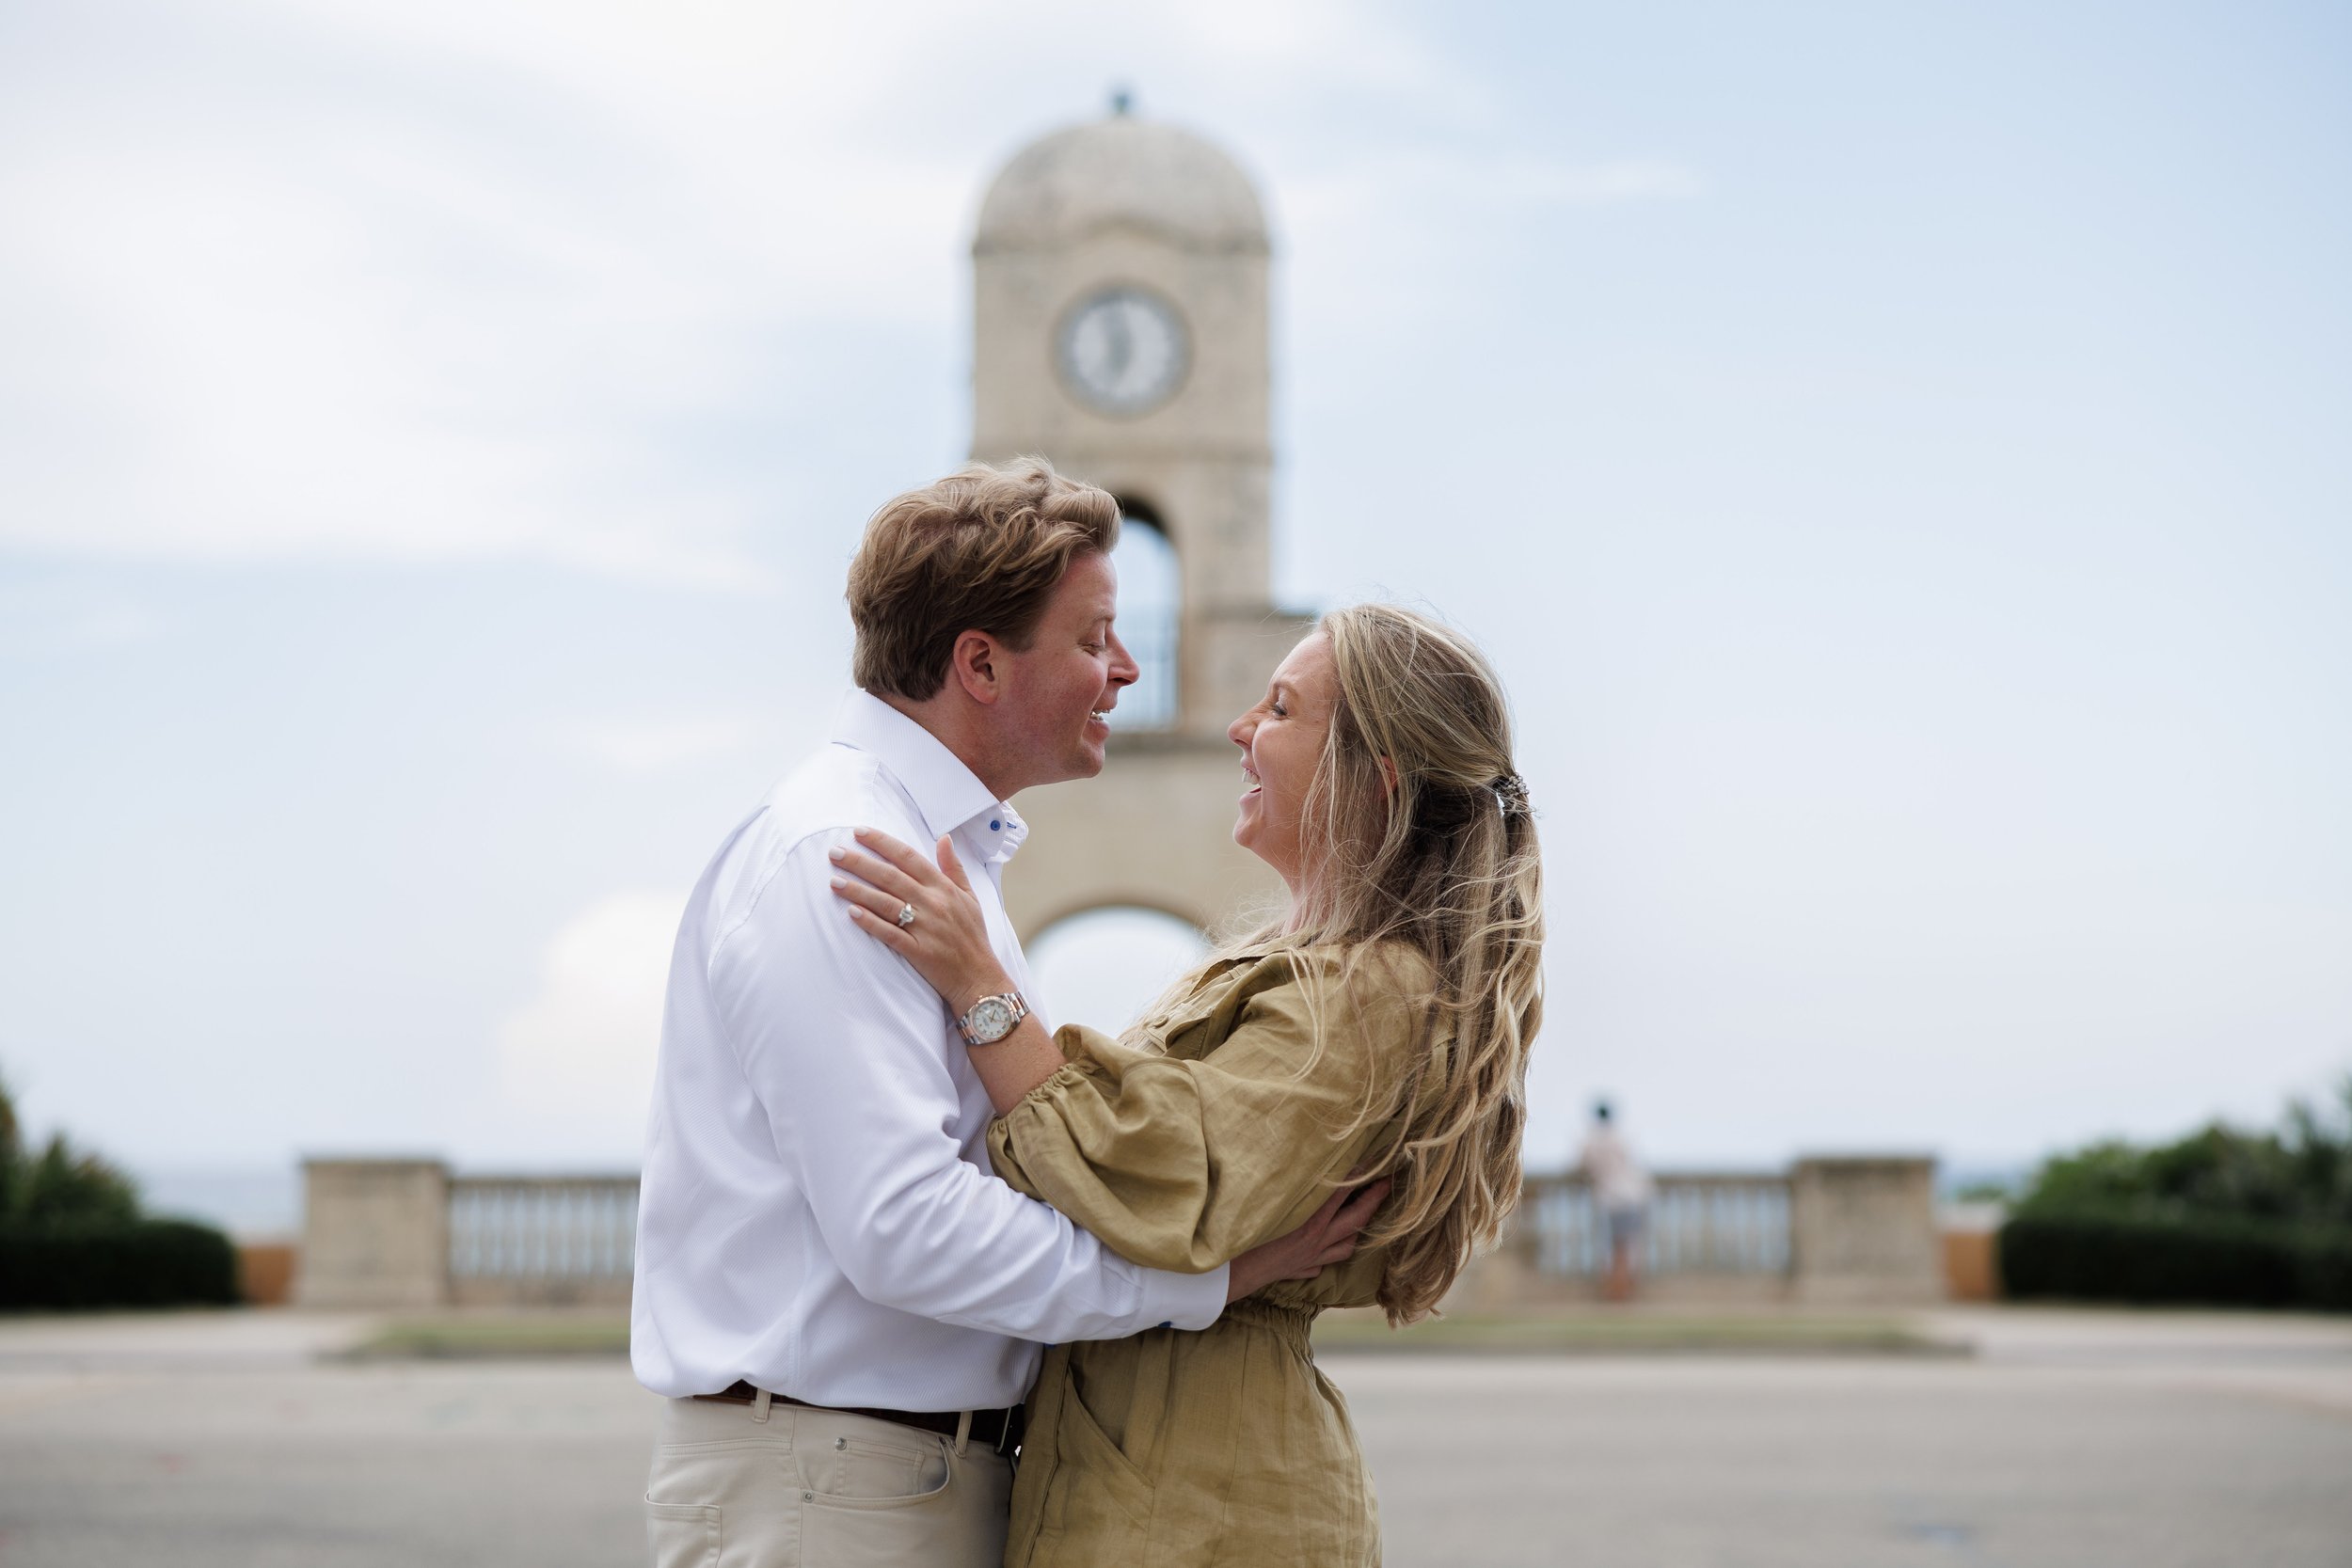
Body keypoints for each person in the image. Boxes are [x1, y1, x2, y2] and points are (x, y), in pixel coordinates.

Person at [629, 459, 1382, 1568]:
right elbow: (906, 1227)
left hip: (878, 1475)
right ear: (978, 662)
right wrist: (1202, 1281)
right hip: (835, 1489)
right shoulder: (846, 857)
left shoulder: (934, 857)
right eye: (1093, 639)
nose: (1125, 670)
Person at [828, 601, 1545, 1566]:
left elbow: (1155, 1175)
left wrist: (980, 986)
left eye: (1281, 709)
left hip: (1206, 1498)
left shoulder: (1371, 989)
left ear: (1369, 777)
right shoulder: (1313, 969)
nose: (1240, 727)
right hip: (1160, 1471)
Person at [1578, 1100, 1653, 1302]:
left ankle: (1617, 1293)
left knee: (1616, 1247)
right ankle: (1622, 1291)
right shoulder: (1621, 1138)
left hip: (1611, 1199)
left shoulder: (1591, 1141)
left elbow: (1582, 1165)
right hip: (1633, 1196)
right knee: (1628, 1246)